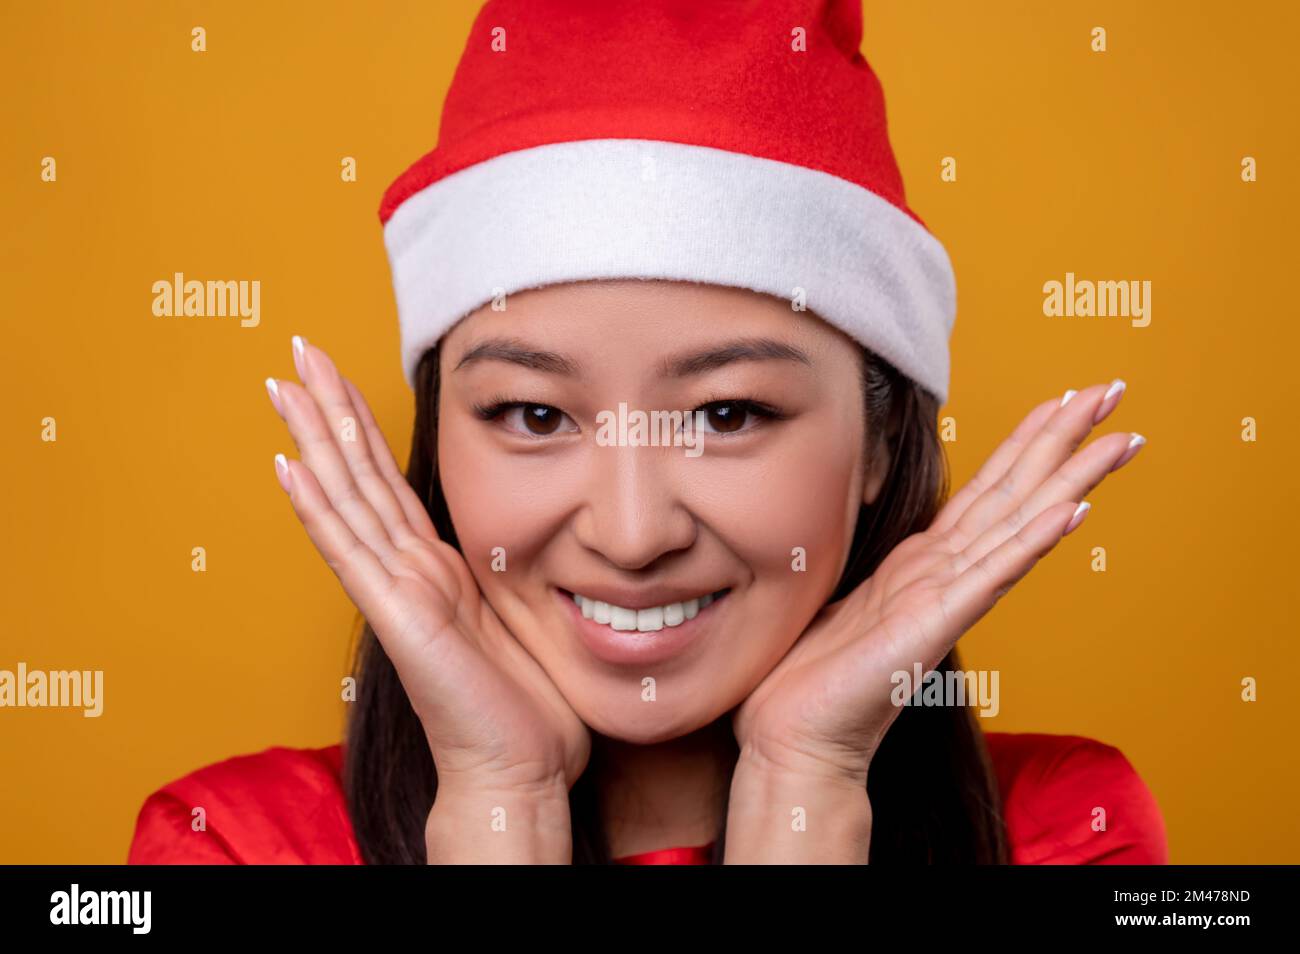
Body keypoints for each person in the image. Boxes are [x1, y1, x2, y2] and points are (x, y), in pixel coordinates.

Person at [128, 0, 1166, 865]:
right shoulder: (239, 844)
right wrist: (500, 806)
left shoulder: (1062, 831)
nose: (630, 537)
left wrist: (806, 791)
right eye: (534, 416)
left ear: (881, 447)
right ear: (440, 437)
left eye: (728, 414)